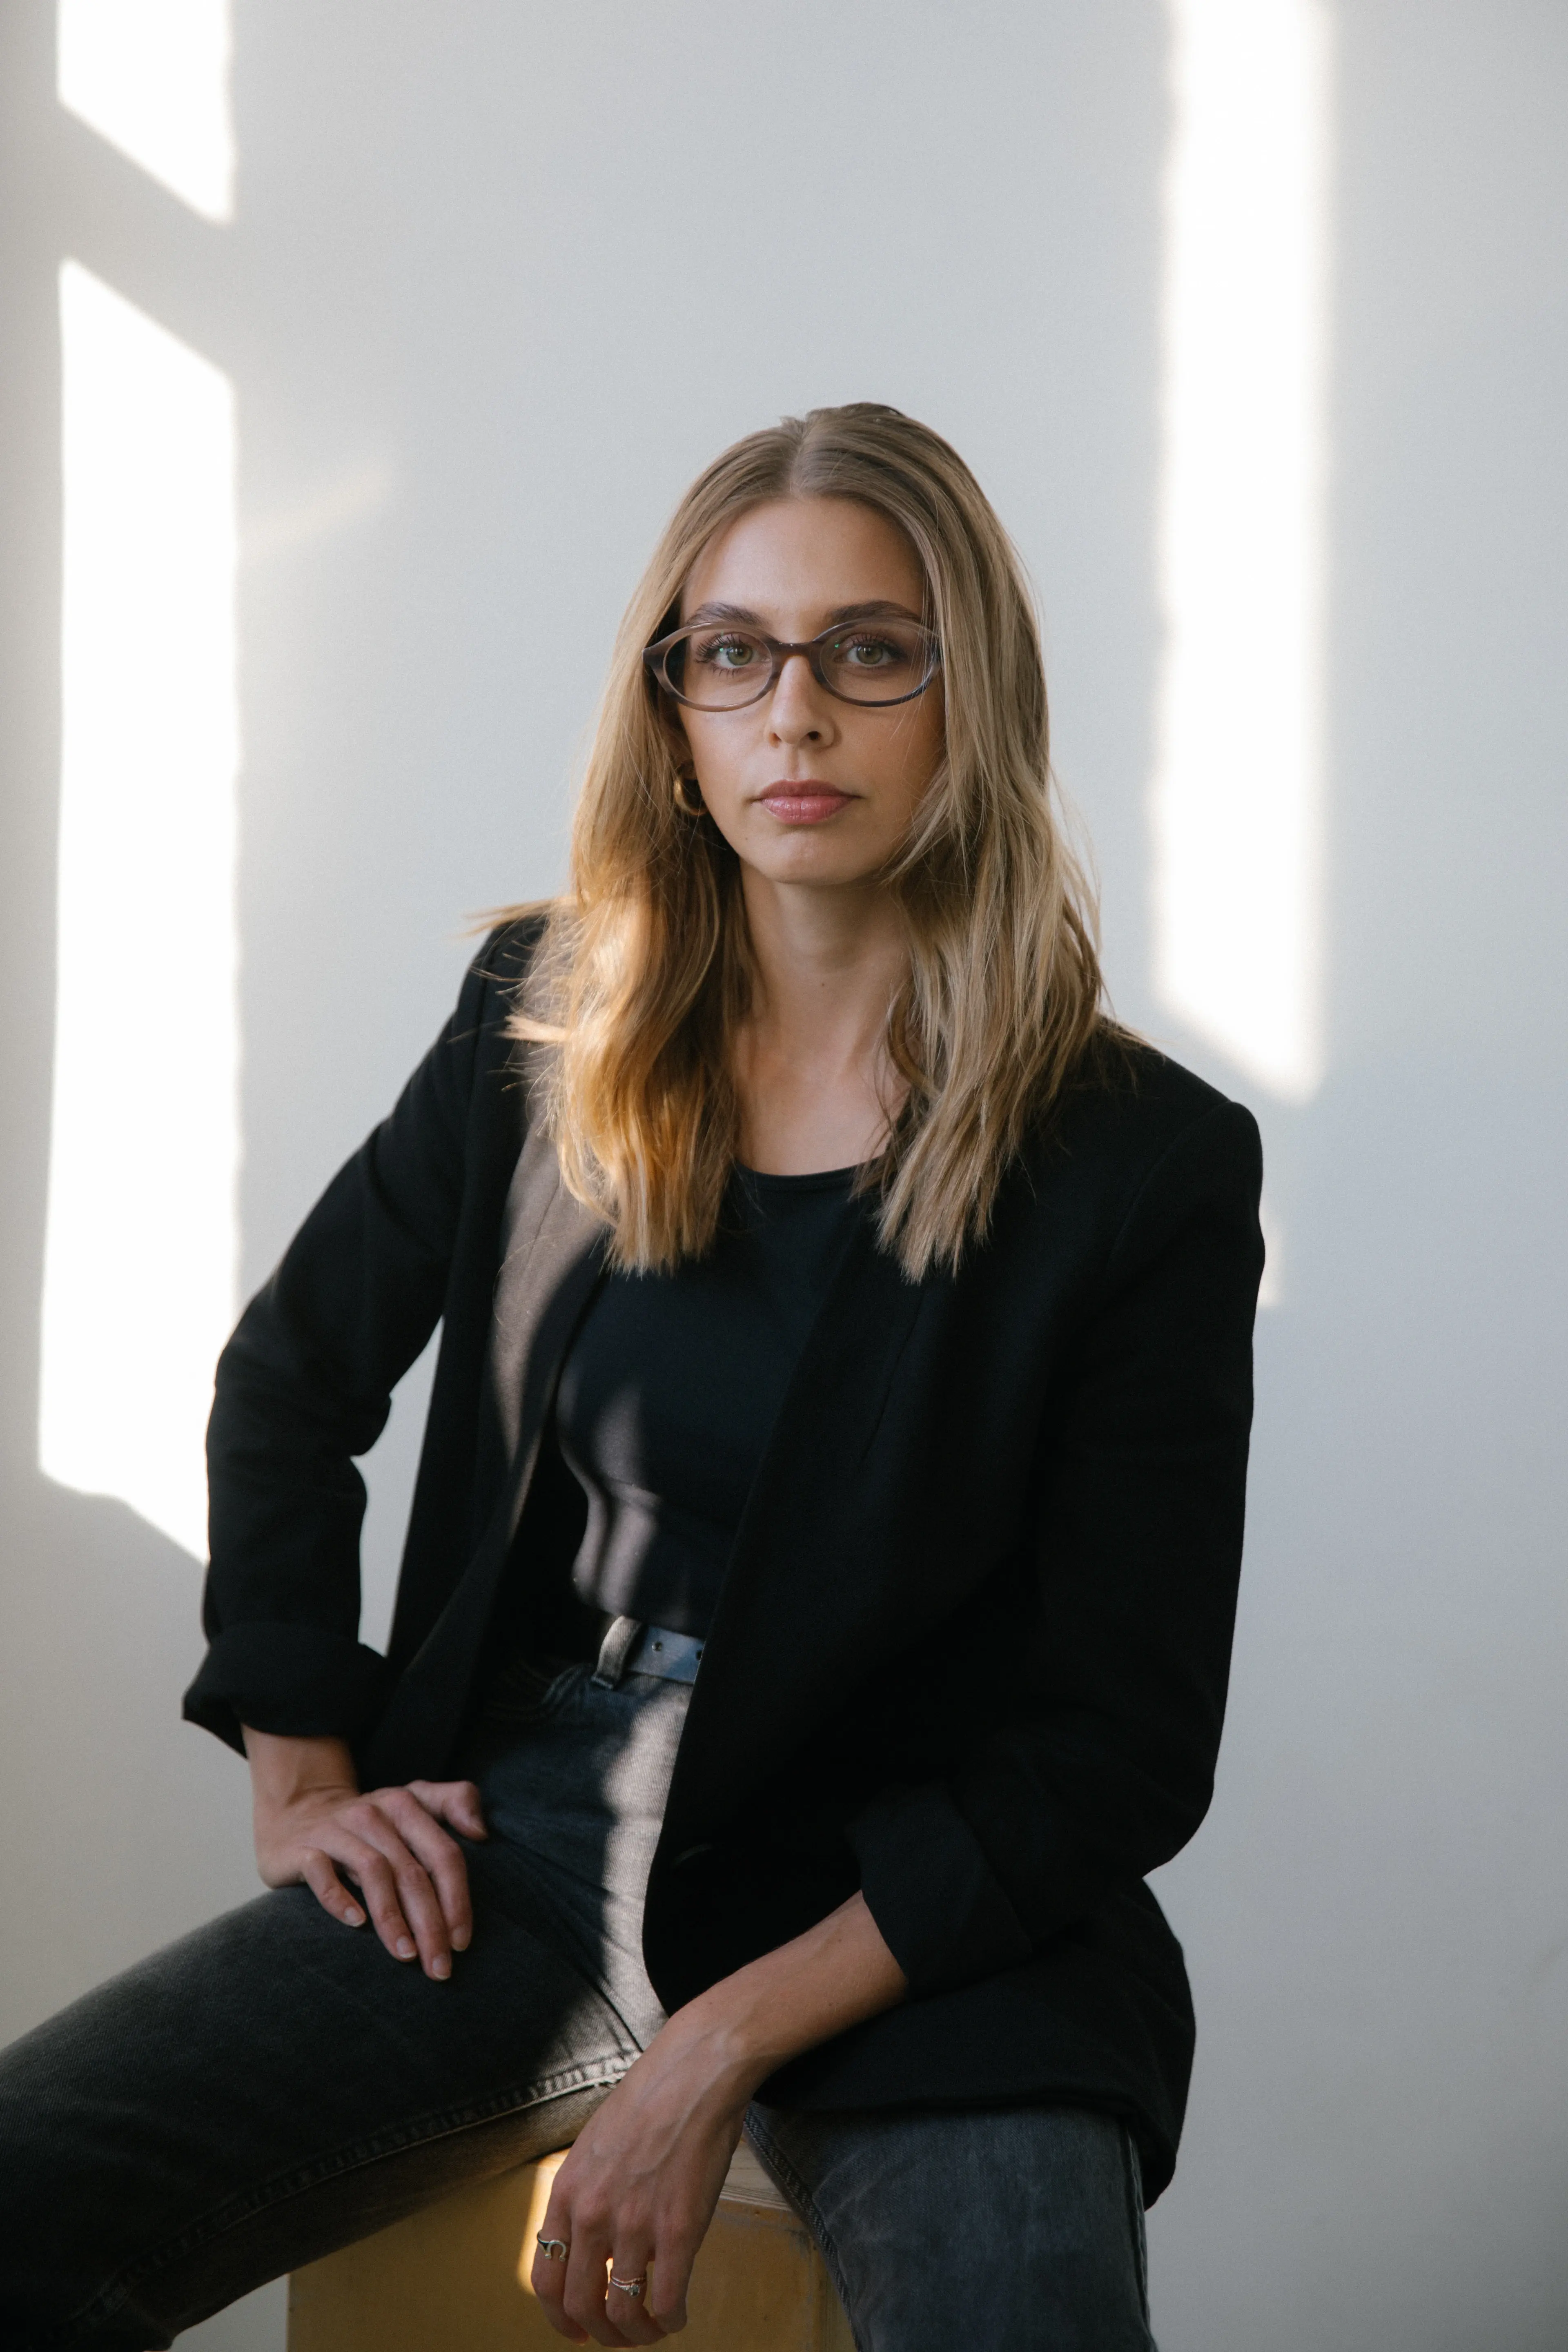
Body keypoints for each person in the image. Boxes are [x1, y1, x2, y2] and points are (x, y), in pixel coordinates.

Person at [0, 403, 1263, 2351]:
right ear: (671, 706)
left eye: (871, 649)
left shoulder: (1141, 1166)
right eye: (733, 653)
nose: (798, 716)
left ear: (969, 692)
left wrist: (717, 2043)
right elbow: (291, 1372)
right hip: (532, 1827)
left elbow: (1119, 1747)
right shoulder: (545, 1018)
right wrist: (303, 1767)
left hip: (915, 1886)